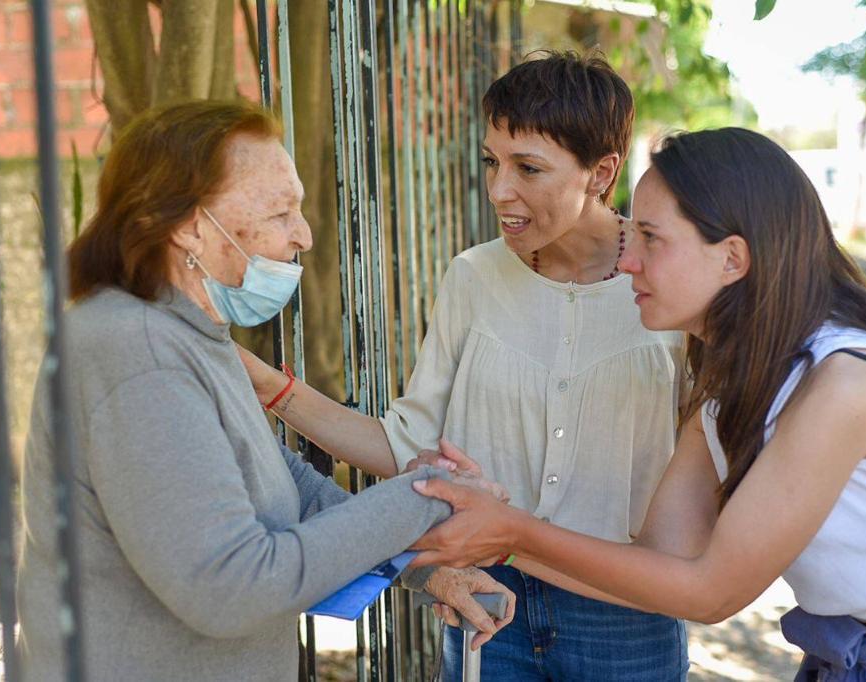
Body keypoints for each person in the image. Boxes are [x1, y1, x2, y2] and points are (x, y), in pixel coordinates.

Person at [408, 127, 866, 680]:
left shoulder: (844, 384)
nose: (625, 260)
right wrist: (493, 533)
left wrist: (510, 530)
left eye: (650, 237)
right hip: (852, 651)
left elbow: (711, 592)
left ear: (732, 259)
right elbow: (660, 569)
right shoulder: (728, 385)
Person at [15, 100, 512, 682]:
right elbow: (229, 587)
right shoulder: (137, 351)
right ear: (189, 226)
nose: (303, 234)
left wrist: (425, 568)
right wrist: (428, 495)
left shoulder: (188, 333)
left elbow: (289, 489)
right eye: (281, 212)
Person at [240, 52, 689, 681]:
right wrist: (267, 385)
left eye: (528, 167)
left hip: (624, 613)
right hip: (483, 596)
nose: (500, 188)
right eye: (492, 161)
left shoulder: (670, 288)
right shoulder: (473, 277)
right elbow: (407, 449)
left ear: (602, 171)